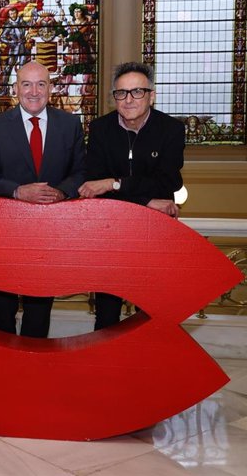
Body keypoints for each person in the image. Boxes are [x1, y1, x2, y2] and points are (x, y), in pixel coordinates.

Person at [0, 61, 86, 337]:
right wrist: (18, 191)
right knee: (1, 304)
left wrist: (62, 192)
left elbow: (81, 172)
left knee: (40, 306)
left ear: (51, 88)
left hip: (51, 233)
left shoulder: (70, 124)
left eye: (41, 84)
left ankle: (33, 368)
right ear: (16, 89)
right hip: (6, 233)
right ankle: (2, 369)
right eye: (26, 84)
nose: (34, 91)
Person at [78, 61, 185, 330]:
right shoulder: (100, 129)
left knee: (149, 310)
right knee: (106, 312)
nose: (128, 100)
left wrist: (114, 184)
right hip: (111, 233)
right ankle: (103, 367)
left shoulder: (171, 129)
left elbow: (168, 181)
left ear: (152, 95)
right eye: (121, 93)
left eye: (137, 92)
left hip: (153, 233)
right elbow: (93, 186)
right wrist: (147, 200)